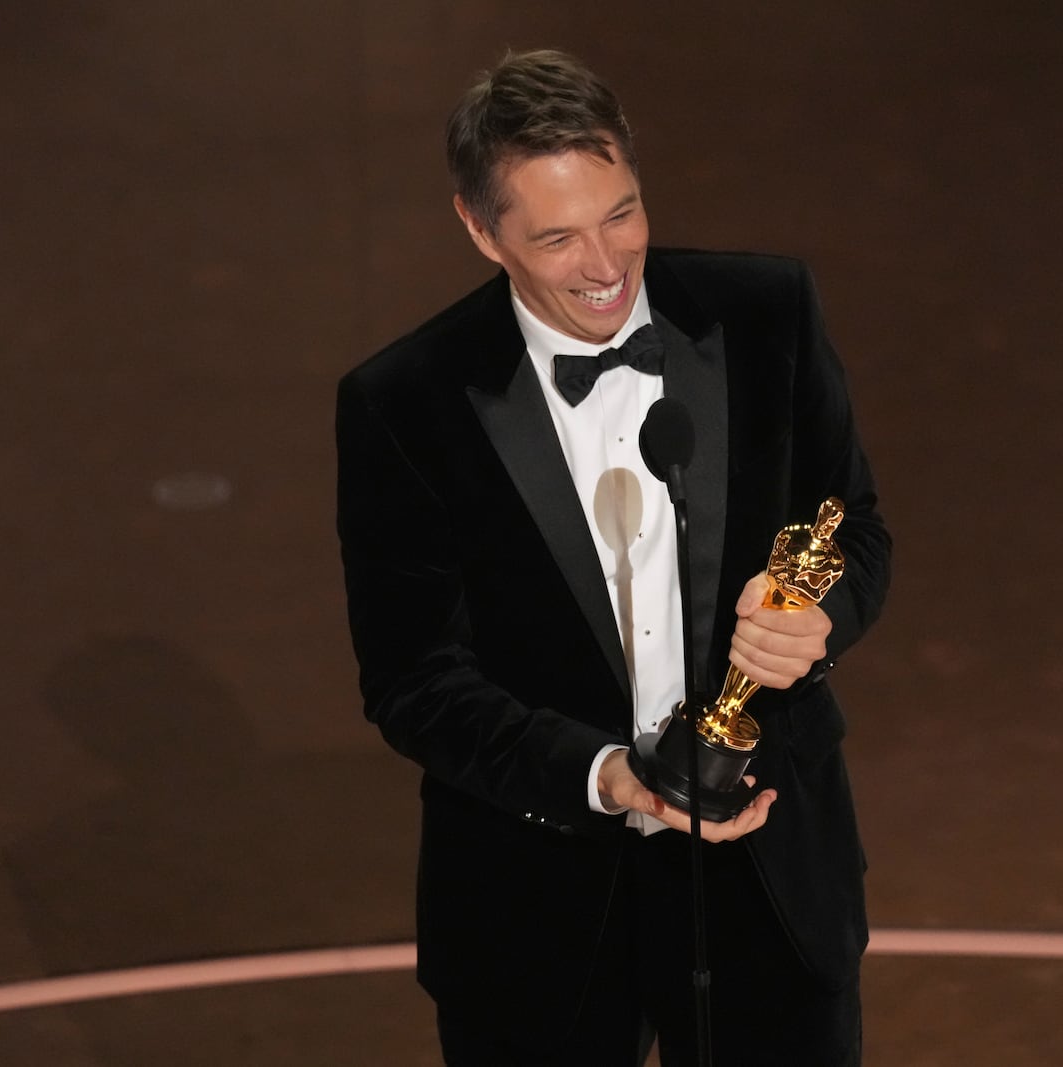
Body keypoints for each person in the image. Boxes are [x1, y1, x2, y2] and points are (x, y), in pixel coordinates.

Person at [336, 48, 890, 1066]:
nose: (604, 264)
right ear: (478, 228)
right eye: (555, 236)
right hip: (533, 888)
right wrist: (606, 776)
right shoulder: (402, 402)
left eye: (620, 213)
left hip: (767, 872)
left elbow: (850, 526)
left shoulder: (766, 313)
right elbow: (411, 677)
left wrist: (819, 617)